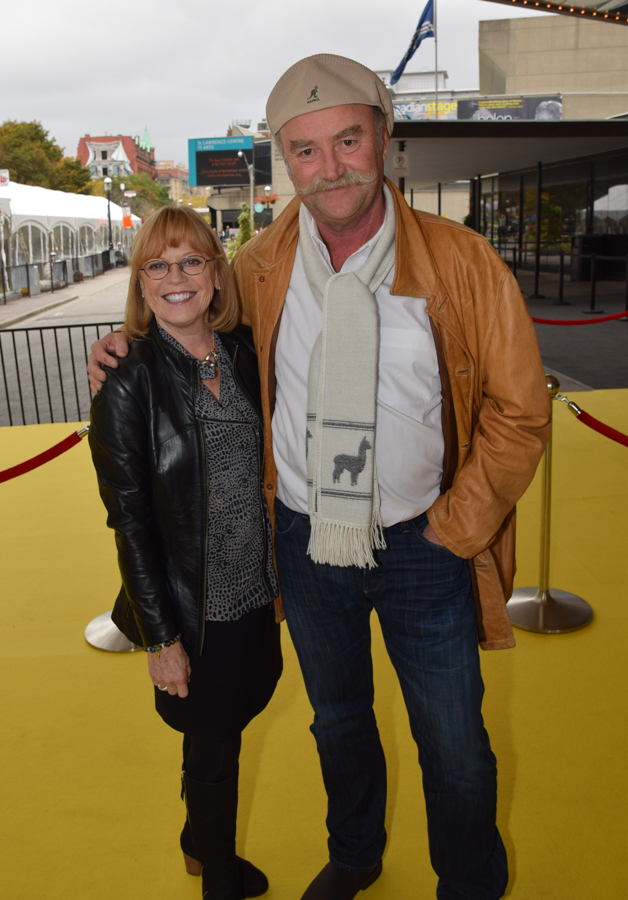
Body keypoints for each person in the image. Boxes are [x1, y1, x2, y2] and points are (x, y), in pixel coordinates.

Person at [88, 55, 551, 900]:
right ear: (282, 160)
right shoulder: (261, 267)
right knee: (337, 721)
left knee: (453, 740)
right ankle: (355, 855)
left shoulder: (464, 262)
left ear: (383, 138)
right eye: (305, 150)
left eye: (347, 139)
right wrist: (125, 350)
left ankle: (471, 885)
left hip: (428, 542)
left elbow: (520, 415)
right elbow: (192, 327)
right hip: (303, 542)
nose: (329, 166)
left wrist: (456, 528)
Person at [88, 205, 282, 900]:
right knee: (217, 737)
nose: (177, 277)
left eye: (192, 260)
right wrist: (160, 638)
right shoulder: (127, 378)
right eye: (158, 264)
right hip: (192, 603)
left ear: (216, 273)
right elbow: (129, 520)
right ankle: (218, 876)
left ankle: (196, 839)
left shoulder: (245, 351)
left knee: (225, 719)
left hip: (255, 587)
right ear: (140, 284)